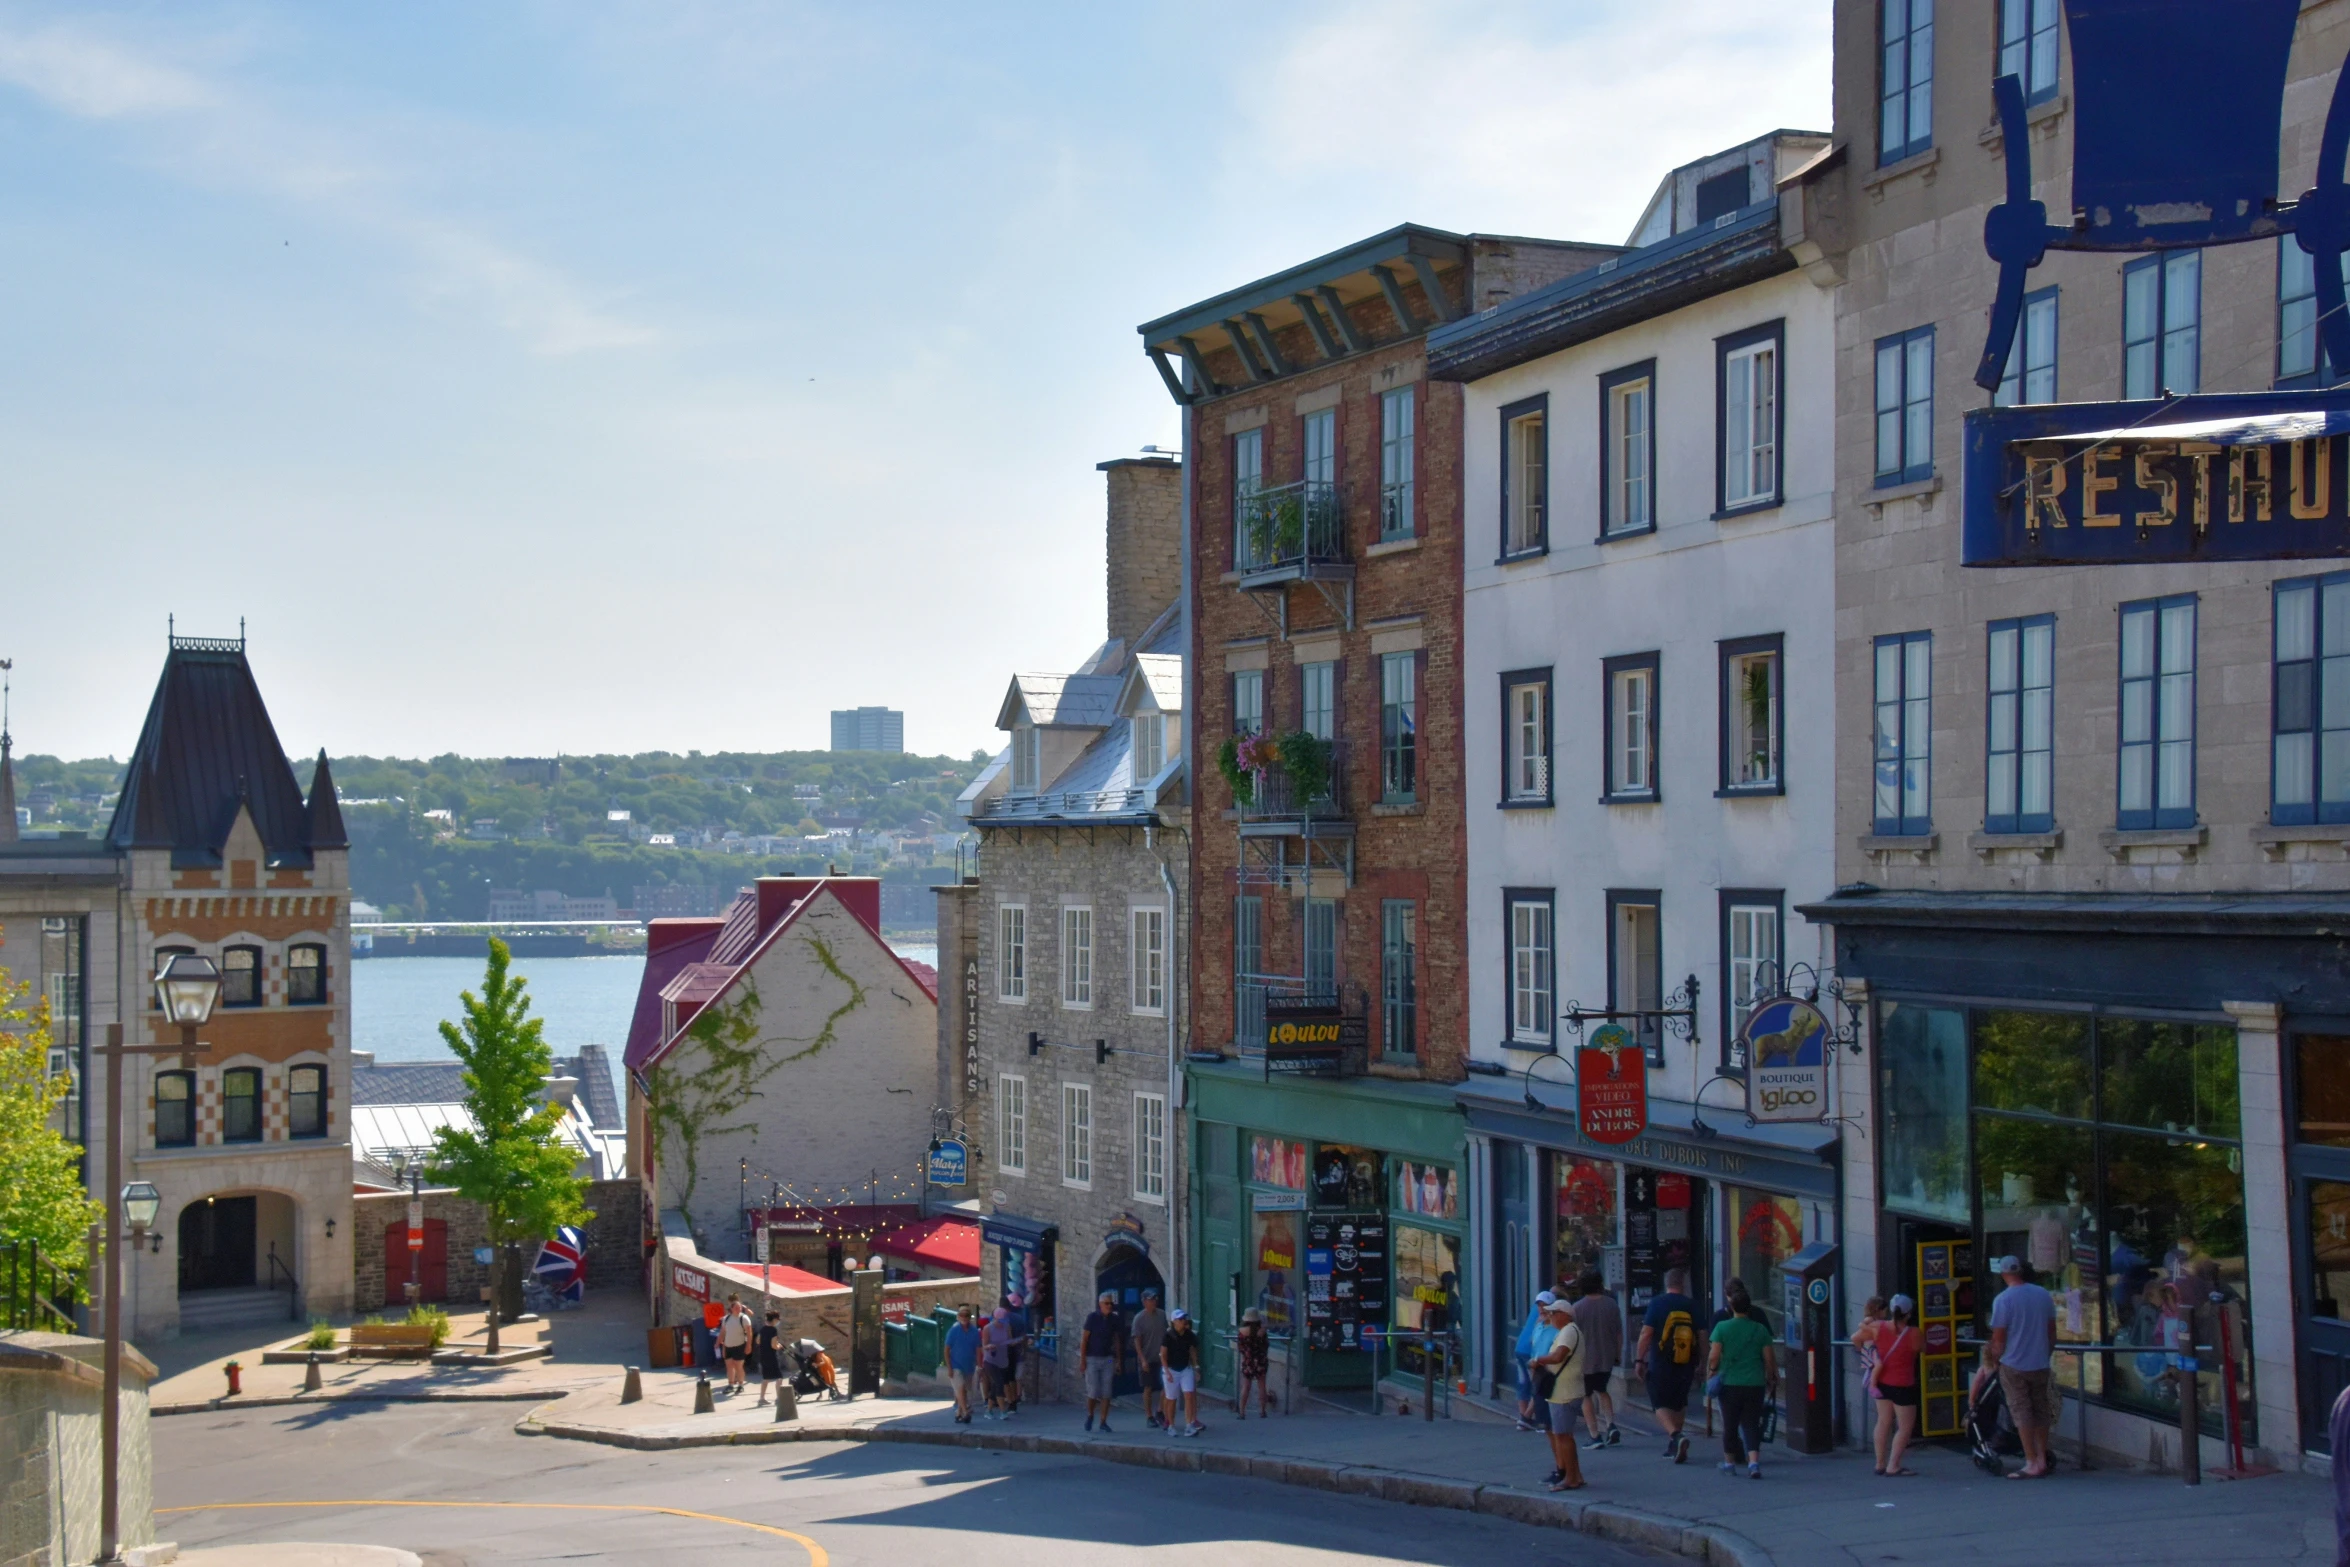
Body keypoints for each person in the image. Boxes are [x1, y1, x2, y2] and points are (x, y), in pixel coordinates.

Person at [1985, 1254, 2057, 1479]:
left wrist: (1995, 1361)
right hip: (2040, 1362)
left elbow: (1998, 1339)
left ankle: (2031, 1461)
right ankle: (2042, 1457)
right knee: (2041, 1409)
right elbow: (2051, 1332)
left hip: (2014, 1363)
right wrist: (2045, 1354)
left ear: (2004, 1273)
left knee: (2021, 1410)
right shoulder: (2042, 1294)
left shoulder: (2003, 1300)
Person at [1708, 1283, 1777, 1479]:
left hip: (1730, 1383)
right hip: (1755, 1383)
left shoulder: (1722, 1327)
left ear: (1731, 1308)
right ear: (1749, 1308)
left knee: (1730, 1424)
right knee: (1751, 1423)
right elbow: (1769, 1358)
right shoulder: (1760, 1330)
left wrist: (1713, 1371)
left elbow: (1714, 1355)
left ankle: (1729, 1462)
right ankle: (1754, 1463)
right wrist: (1771, 1376)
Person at [1635, 1267, 1700, 1463]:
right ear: (1683, 1284)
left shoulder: (1657, 1303)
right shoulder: (1692, 1305)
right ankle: (1676, 1446)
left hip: (1661, 1362)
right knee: (1679, 1401)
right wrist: (1703, 1361)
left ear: (1667, 1283)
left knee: (1658, 1402)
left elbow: (1646, 1333)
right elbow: (1703, 1334)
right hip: (1687, 1361)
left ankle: (1676, 1436)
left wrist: (1639, 1359)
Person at [1530, 1296, 1587, 1492]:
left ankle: (1570, 1478)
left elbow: (1558, 1356)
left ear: (1564, 1315)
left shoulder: (1568, 1332)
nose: (1551, 1316)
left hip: (1564, 1391)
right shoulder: (1567, 1331)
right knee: (1565, 1436)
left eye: (1554, 1313)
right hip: (1566, 1390)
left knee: (1562, 1436)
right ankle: (1575, 1475)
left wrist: (1538, 1360)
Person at [1868, 1294, 1921, 1476]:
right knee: (1904, 1427)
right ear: (1909, 1313)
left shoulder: (1877, 1327)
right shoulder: (1914, 1333)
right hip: (1903, 1383)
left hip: (1881, 1381)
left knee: (1883, 1422)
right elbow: (1922, 1349)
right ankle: (1893, 1465)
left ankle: (1879, 1463)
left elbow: (1858, 1339)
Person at [1571, 1269, 1624, 1450]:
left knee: (1585, 1396)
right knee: (1602, 1390)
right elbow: (1618, 1333)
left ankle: (1594, 1435)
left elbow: (1573, 1336)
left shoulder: (1577, 1308)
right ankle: (1610, 1424)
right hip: (1606, 1357)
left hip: (1585, 1360)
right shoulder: (1612, 1305)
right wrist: (1618, 1354)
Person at [1080, 1290, 1128, 1434]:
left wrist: (1119, 1360)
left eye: (1111, 1303)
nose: (1109, 1306)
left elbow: (1117, 1340)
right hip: (1092, 1358)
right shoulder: (1092, 1318)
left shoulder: (1114, 1319)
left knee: (1107, 1392)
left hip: (1108, 1358)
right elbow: (1085, 1339)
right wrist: (1082, 1360)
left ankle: (1103, 1421)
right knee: (1093, 1391)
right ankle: (1090, 1415)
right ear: (1100, 1304)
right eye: (1106, 1303)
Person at [1513, 1291, 1557, 1432]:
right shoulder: (1543, 1322)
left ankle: (1525, 1417)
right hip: (1533, 1356)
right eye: (1540, 1305)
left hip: (1523, 1350)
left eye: (1545, 1305)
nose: (1542, 1308)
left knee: (1525, 1384)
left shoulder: (1544, 1320)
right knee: (1538, 1386)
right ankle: (1528, 1417)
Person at [1160, 1306, 1204, 1437]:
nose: (1183, 1321)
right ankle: (1171, 1425)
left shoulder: (1189, 1334)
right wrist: (1167, 1372)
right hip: (1172, 1369)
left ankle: (1189, 1424)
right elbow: (1163, 1355)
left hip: (1185, 1368)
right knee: (1171, 1399)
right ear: (1174, 1321)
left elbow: (1192, 1351)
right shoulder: (1168, 1336)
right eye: (1180, 1319)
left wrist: (1196, 1367)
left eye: (1183, 1318)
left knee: (1189, 1395)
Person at [1130, 1289, 1169, 1428]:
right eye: (1151, 1299)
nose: (1154, 1301)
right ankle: (1149, 1416)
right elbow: (1137, 1341)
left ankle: (1160, 1411)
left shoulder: (1162, 1314)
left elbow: (1166, 1334)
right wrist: (1142, 1359)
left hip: (1161, 1357)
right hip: (1147, 1358)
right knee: (1148, 1388)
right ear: (1144, 1301)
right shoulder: (1139, 1319)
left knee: (1166, 1385)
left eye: (1155, 1299)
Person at [943, 1304, 983, 1424]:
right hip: (956, 1365)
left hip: (969, 1365)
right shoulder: (954, 1330)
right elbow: (946, 1350)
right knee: (959, 1388)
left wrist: (979, 1364)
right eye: (962, 1315)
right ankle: (966, 1412)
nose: (964, 1318)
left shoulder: (974, 1331)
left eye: (966, 1315)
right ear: (958, 1317)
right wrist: (949, 1367)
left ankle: (958, 1413)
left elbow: (978, 1349)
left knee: (965, 1390)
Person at [1236, 1307, 1272, 1417]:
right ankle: (1262, 1411)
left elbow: (1240, 1348)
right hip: (1260, 1360)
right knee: (1262, 1386)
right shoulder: (1262, 1331)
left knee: (1246, 1386)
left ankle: (1242, 1412)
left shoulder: (1242, 1332)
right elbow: (1266, 1345)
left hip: (1248, 1361)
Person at [981, 1304, 1014, 1420]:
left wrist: (1013, 1342)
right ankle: (1002, 1411)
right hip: (990, 1360)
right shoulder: (987, 1328)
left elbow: (1009, 1340)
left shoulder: (1007, 1327)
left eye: (1004, 1320)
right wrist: (989, 1346)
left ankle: (988, 1411)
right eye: (1000, 1320)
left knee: (995, 1386)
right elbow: (983, 1346)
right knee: (999, 1383)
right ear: (995, 1318)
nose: (1002, 1323)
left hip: (1003, 1360)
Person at [718, 1294, 753, 1392]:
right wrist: (720, 1344)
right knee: (729, 1366)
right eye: (736, 1308)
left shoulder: (744, 1318)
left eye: (740, 1307)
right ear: (732, 1308)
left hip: (740, 1345)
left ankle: (740, 1385)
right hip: (728, 1345)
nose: (739, 1309)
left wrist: (748, 1345)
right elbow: (723, 1332)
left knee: (738, 1366)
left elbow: (750, 1333)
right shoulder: (726, 1319)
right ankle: (730, 1384)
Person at [753, 1308, 784, 1406]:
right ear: (774, 1319)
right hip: (771, 1355)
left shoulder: (763, 1329)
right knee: (779, 1377)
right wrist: (779, 1346)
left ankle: (761, 1398)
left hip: (763, 1355)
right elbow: (773, 1345)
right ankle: (779, 1398)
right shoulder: (773, 1330)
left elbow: (757, 1341)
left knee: (766, 1377)